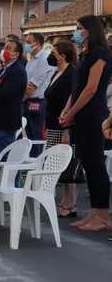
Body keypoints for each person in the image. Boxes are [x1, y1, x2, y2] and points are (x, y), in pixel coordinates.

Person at [61, 16, 112, 232]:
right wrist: (68, 108)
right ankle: (94, 213)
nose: (76, 31)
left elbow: (91, 89)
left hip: (92, 115)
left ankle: (102, 214)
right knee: (89, 165)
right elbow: (77, 87)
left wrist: (71, 113)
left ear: (91, 31)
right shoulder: (85, 54)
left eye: (80, 28)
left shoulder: (100, 54)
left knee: (96, 164)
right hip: (81, 115)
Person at [44, 40, 77, 218]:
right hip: (52, 123)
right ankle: (64, 201)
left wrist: (66, 128)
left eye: (54, 53)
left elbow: (70, 99)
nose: (51, 55)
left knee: (66, 164)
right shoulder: (56, 72)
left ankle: (70, 203)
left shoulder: (71, 73)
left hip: (63, 124)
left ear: (63, 55)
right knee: (56, 164)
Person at [0, 38, 27, 154]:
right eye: (4, 47)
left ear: (16, 54)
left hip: (7, 120)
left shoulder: (17, 71)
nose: (4, 51)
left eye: (8, 48)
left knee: (4, 154)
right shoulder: (5, 69)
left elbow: (5, 94)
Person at [24, 32, 55, 155]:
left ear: (36, 43)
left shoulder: (44, 59)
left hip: (37, 102)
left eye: (28, 42)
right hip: (28, 101)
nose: (26, 45)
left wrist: (21, 99)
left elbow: (32, 86)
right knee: (30, 137)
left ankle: (37, 164)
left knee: (37, 137)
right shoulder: (31, 60)